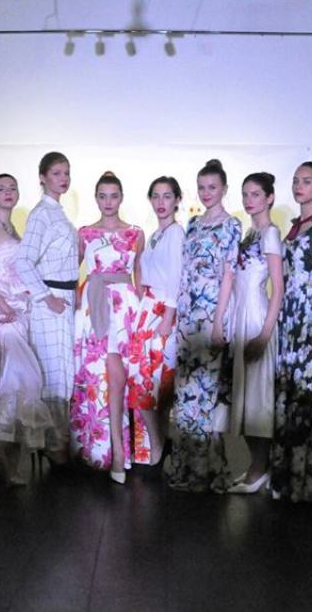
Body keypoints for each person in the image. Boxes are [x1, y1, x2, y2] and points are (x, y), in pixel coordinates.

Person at [0, 174, 51, 484]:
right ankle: (0, 454)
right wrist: (1, 302)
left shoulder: (14, 228)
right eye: (1, 189)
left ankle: (1, 455)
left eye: (12, 188)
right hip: (0, 313)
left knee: (13, 383)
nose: (8, 193)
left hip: (20, 310)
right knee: (18, 380)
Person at [165, 159, 241, 492]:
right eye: (201, 187)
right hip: (187, 314)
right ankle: (186, 468)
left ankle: (206, 471)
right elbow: (184, 271)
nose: (206, 193)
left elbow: (228, 275)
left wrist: (219, 321)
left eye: (212, 187)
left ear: (224, 189)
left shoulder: (231, 225)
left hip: (211, 315)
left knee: (206, 395)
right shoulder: (193, 223)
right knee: (185, 395)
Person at [69, 172, 145, 483]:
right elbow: (70, 271)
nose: (108, 202)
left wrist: (146, 315)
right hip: (94, 306)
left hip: (125, 307)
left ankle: (126, 451)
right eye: (103, 196)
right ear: (96, 198)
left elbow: (140, 275)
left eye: (114, 195)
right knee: (97, 376)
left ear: (121, 197)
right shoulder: (85, 233)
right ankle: (103, 452)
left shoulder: (135, 233)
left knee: (125, 378)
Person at [270, 161, 312, 503]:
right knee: (290, 394)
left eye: (307, 181)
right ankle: (287, 479)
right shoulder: (294, 228)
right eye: (296, 181)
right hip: (290, 318)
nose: (299, 186)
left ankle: (306, 481)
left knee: (309, 398)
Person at [15, 152, 78, 464]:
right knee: (55, 374)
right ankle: (53, 444)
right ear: (42, 177)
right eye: (56, 173)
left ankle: (58, 440)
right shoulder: (41, 214)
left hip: (64, 297)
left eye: (66, 173)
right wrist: (45, 296)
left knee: (63, 371)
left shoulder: (58, 213)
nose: (63, 178)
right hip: (51, 301)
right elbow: (22, 260)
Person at [224, 172, 284, 494]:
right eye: (245, 194)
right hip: (240, 315)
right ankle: (255, 466)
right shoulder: (250, 233)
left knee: (258, 397)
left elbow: (278, 288)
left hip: (257, 316)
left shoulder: (270, 233)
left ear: (269, 198)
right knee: (245, 397)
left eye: (256, 194)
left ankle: (260, 469)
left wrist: (264, 334)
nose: (249, 200)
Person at [126, 176, 185, 465]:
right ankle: (158, 442)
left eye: (167, 196)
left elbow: (176, 277)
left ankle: (159, 444)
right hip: (147, 310)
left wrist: (168, 318)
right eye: (156, 196)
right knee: (143, 383)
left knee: (156, 385)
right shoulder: (155, 235)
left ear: (177, 200)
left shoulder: (176, 233)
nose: (161, 202)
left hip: (163, 312)